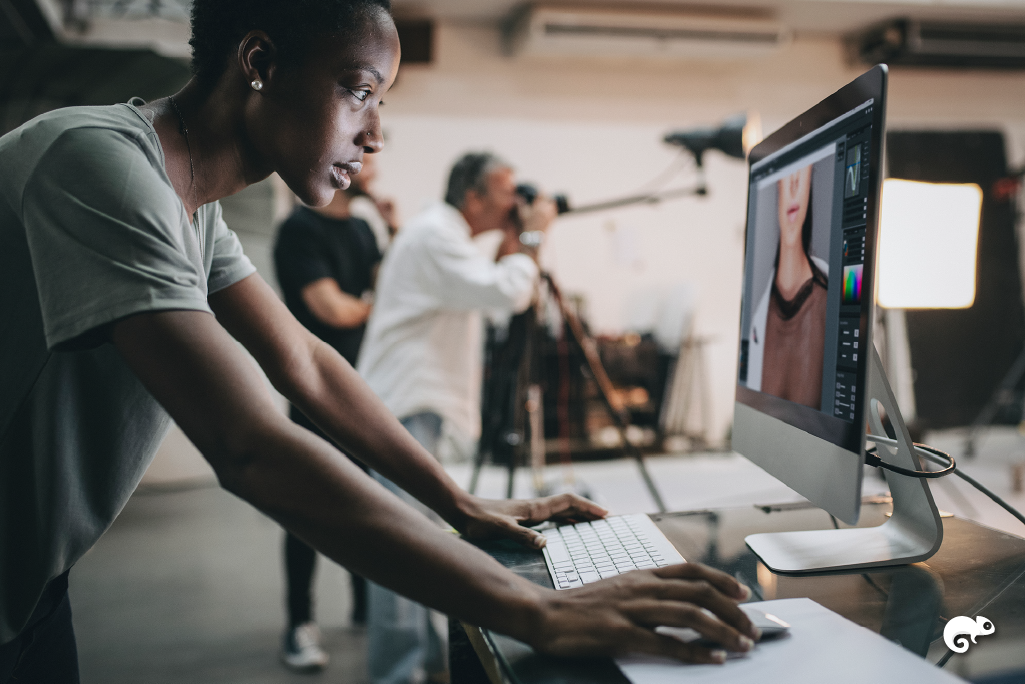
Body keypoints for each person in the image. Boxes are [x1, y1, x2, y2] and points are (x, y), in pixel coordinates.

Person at [0, 2, 759, 682]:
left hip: (33, 584)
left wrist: (459, 504)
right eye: (360, 91)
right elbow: (246, 445)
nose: (376, 134)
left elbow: (307, 366)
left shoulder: (192, 212)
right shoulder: (95, 164)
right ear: (259, 63)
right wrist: (536, 611)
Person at [353, 151, 558, 684]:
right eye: (507, 191)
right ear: (473, 198)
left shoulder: (442, 236)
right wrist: (534, 239)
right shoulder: (434, 237)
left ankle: (421, 666)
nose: (517, 202)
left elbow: (496, 295)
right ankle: (397, 675)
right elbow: (506, 292)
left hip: (411, 406)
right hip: (404, 407)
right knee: (402, 549)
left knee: (417, 542)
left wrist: (519, 243)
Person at [273, 183, 381, 671]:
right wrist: (373, 305)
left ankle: (366, 606)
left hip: (365, 387)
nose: (372, 155)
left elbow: (385, 284)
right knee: (309, 508)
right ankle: (299, 623)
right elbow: (332, 309)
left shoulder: (363, 228)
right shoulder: (299, 229)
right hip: (315, 391)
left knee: (369, 499)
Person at [746, 164, 829, 409]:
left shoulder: (831, 306)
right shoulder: (757, 312)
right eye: (786, 176)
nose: (794, 185)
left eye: (802, 173)